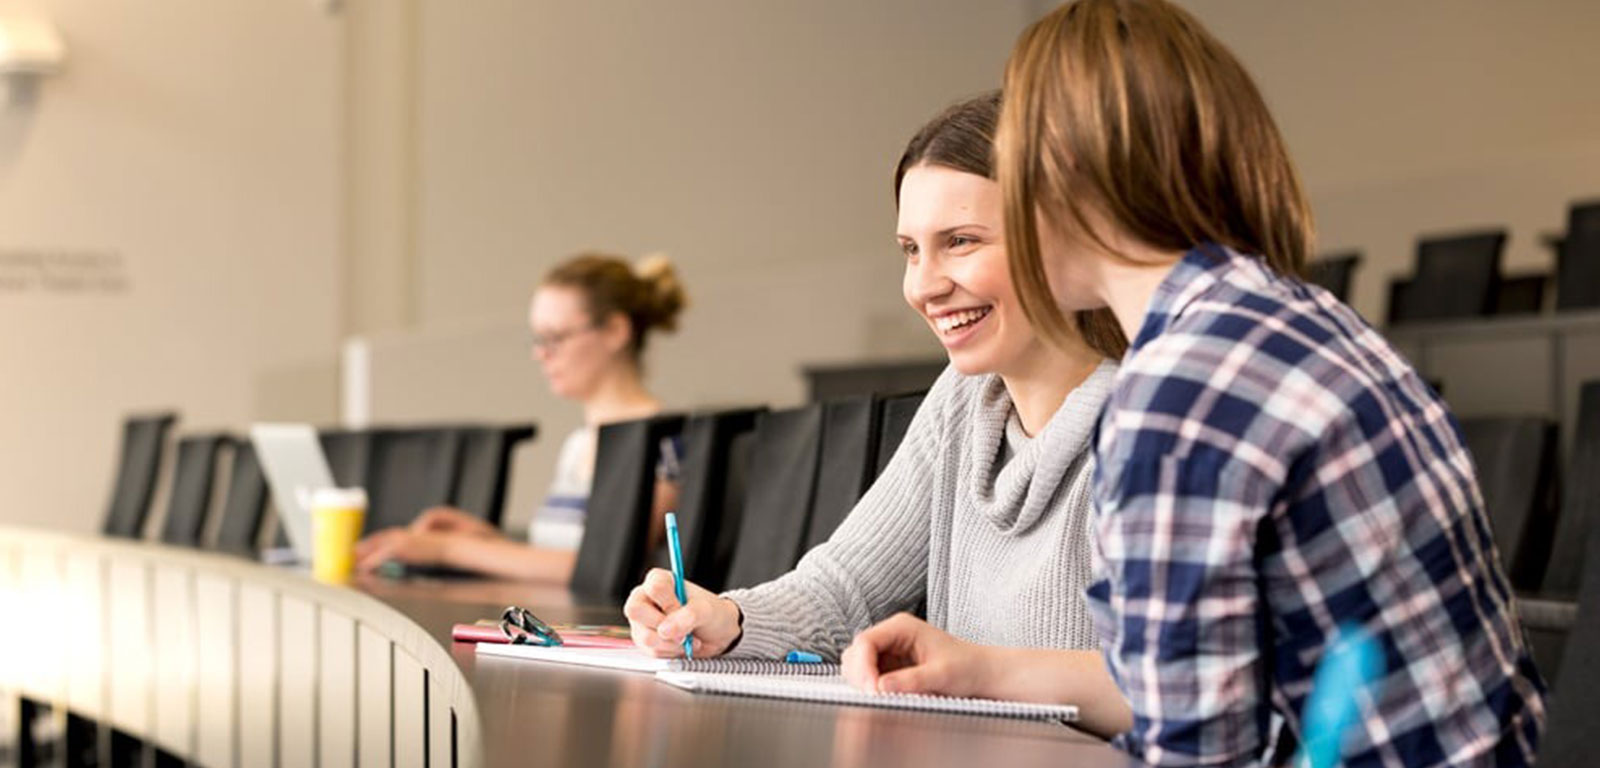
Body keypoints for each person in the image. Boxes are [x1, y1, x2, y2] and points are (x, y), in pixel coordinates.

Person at [845, 1, 1548, 765]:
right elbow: (1197, 685)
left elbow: (1197, 748)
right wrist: (988, 670)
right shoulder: (1281, 316)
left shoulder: (1180, 395)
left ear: (1075, 175)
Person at [622, 92, 1136, 738]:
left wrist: (984, 671)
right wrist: (729, 619)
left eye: (960, 242)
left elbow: (1177, 686)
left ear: (1059, 240)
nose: (923, 285)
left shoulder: (1149, 417)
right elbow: (844, 590)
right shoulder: (963, 397)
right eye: (910, 250)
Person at [355, 252, 687, 583]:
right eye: (538, 339)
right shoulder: (578, 443)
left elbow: (602, 568)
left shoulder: (662, 443)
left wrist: (450, 549)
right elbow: (563, 553)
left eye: (555, 337)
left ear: (616, 330)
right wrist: (488, 540)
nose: (540, 354)